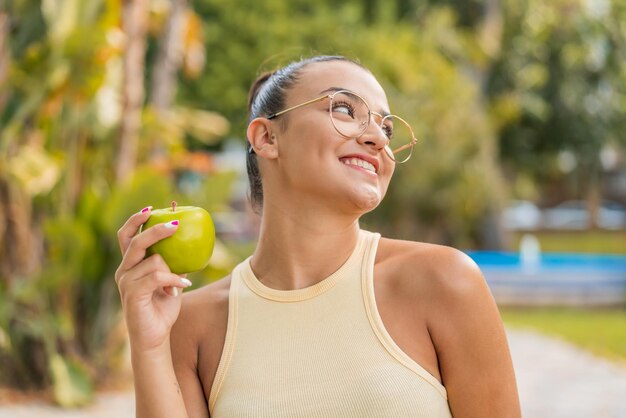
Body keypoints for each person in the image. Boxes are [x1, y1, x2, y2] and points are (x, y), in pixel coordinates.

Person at [115, 55, 521, 417]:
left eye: (386, 129)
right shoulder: (193, 324)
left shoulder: (444, 280)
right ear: (267, 138)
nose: (377, 138)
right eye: (345, 109)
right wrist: (149, 347)